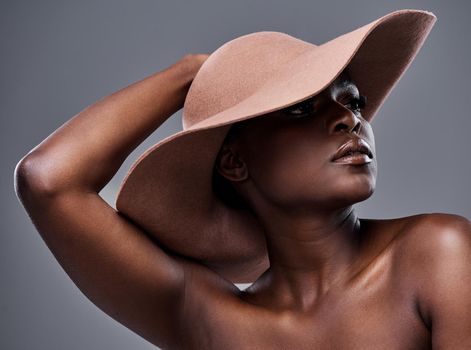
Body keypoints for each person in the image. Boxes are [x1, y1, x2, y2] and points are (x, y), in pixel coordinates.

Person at [14, 9, 471, 350]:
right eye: (301, 107)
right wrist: (195, 72)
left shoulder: (436, 253)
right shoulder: (212, 318)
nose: (349, 120)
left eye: (352, 101)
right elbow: (48, 180)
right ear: (234, 162)